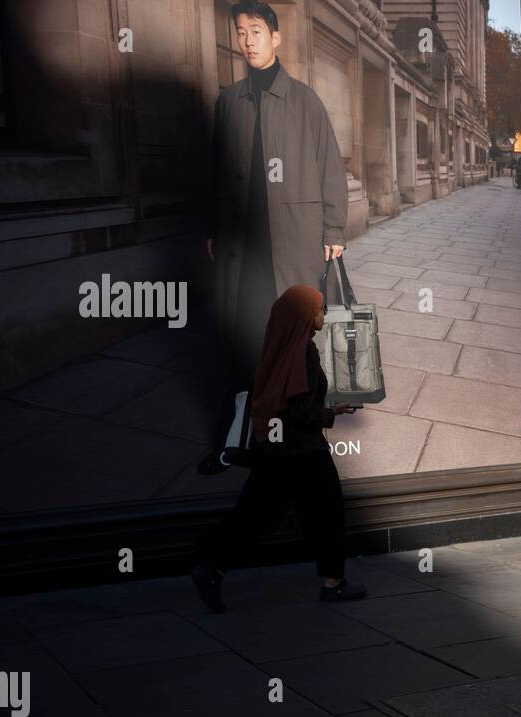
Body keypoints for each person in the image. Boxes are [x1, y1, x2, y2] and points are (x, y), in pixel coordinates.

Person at [202, 0, 348, 470]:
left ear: (276, 37)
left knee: (293, 339)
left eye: (257, 32)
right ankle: (241, 430)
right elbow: (216, 172)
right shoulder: (229, 101)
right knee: (245, 337)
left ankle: (295, 434)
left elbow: (330, 168)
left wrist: (334, 228)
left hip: (295, 242)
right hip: (243, 248)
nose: (247, 40)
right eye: (241, 32)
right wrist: (213, 227)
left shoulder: (306, 101)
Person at [190, 285, 366, 611]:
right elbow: (297, 409)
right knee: (327, 513)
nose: (323, 315)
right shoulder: (305, 353)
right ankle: (334, 584)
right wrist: (329, 414)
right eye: (319, 309)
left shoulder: (279, 346)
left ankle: (210, 563)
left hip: (275, 450)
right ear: (303, 317)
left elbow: (281, 399)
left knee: (256, 516)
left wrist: (327, 408)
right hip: (305, 452)